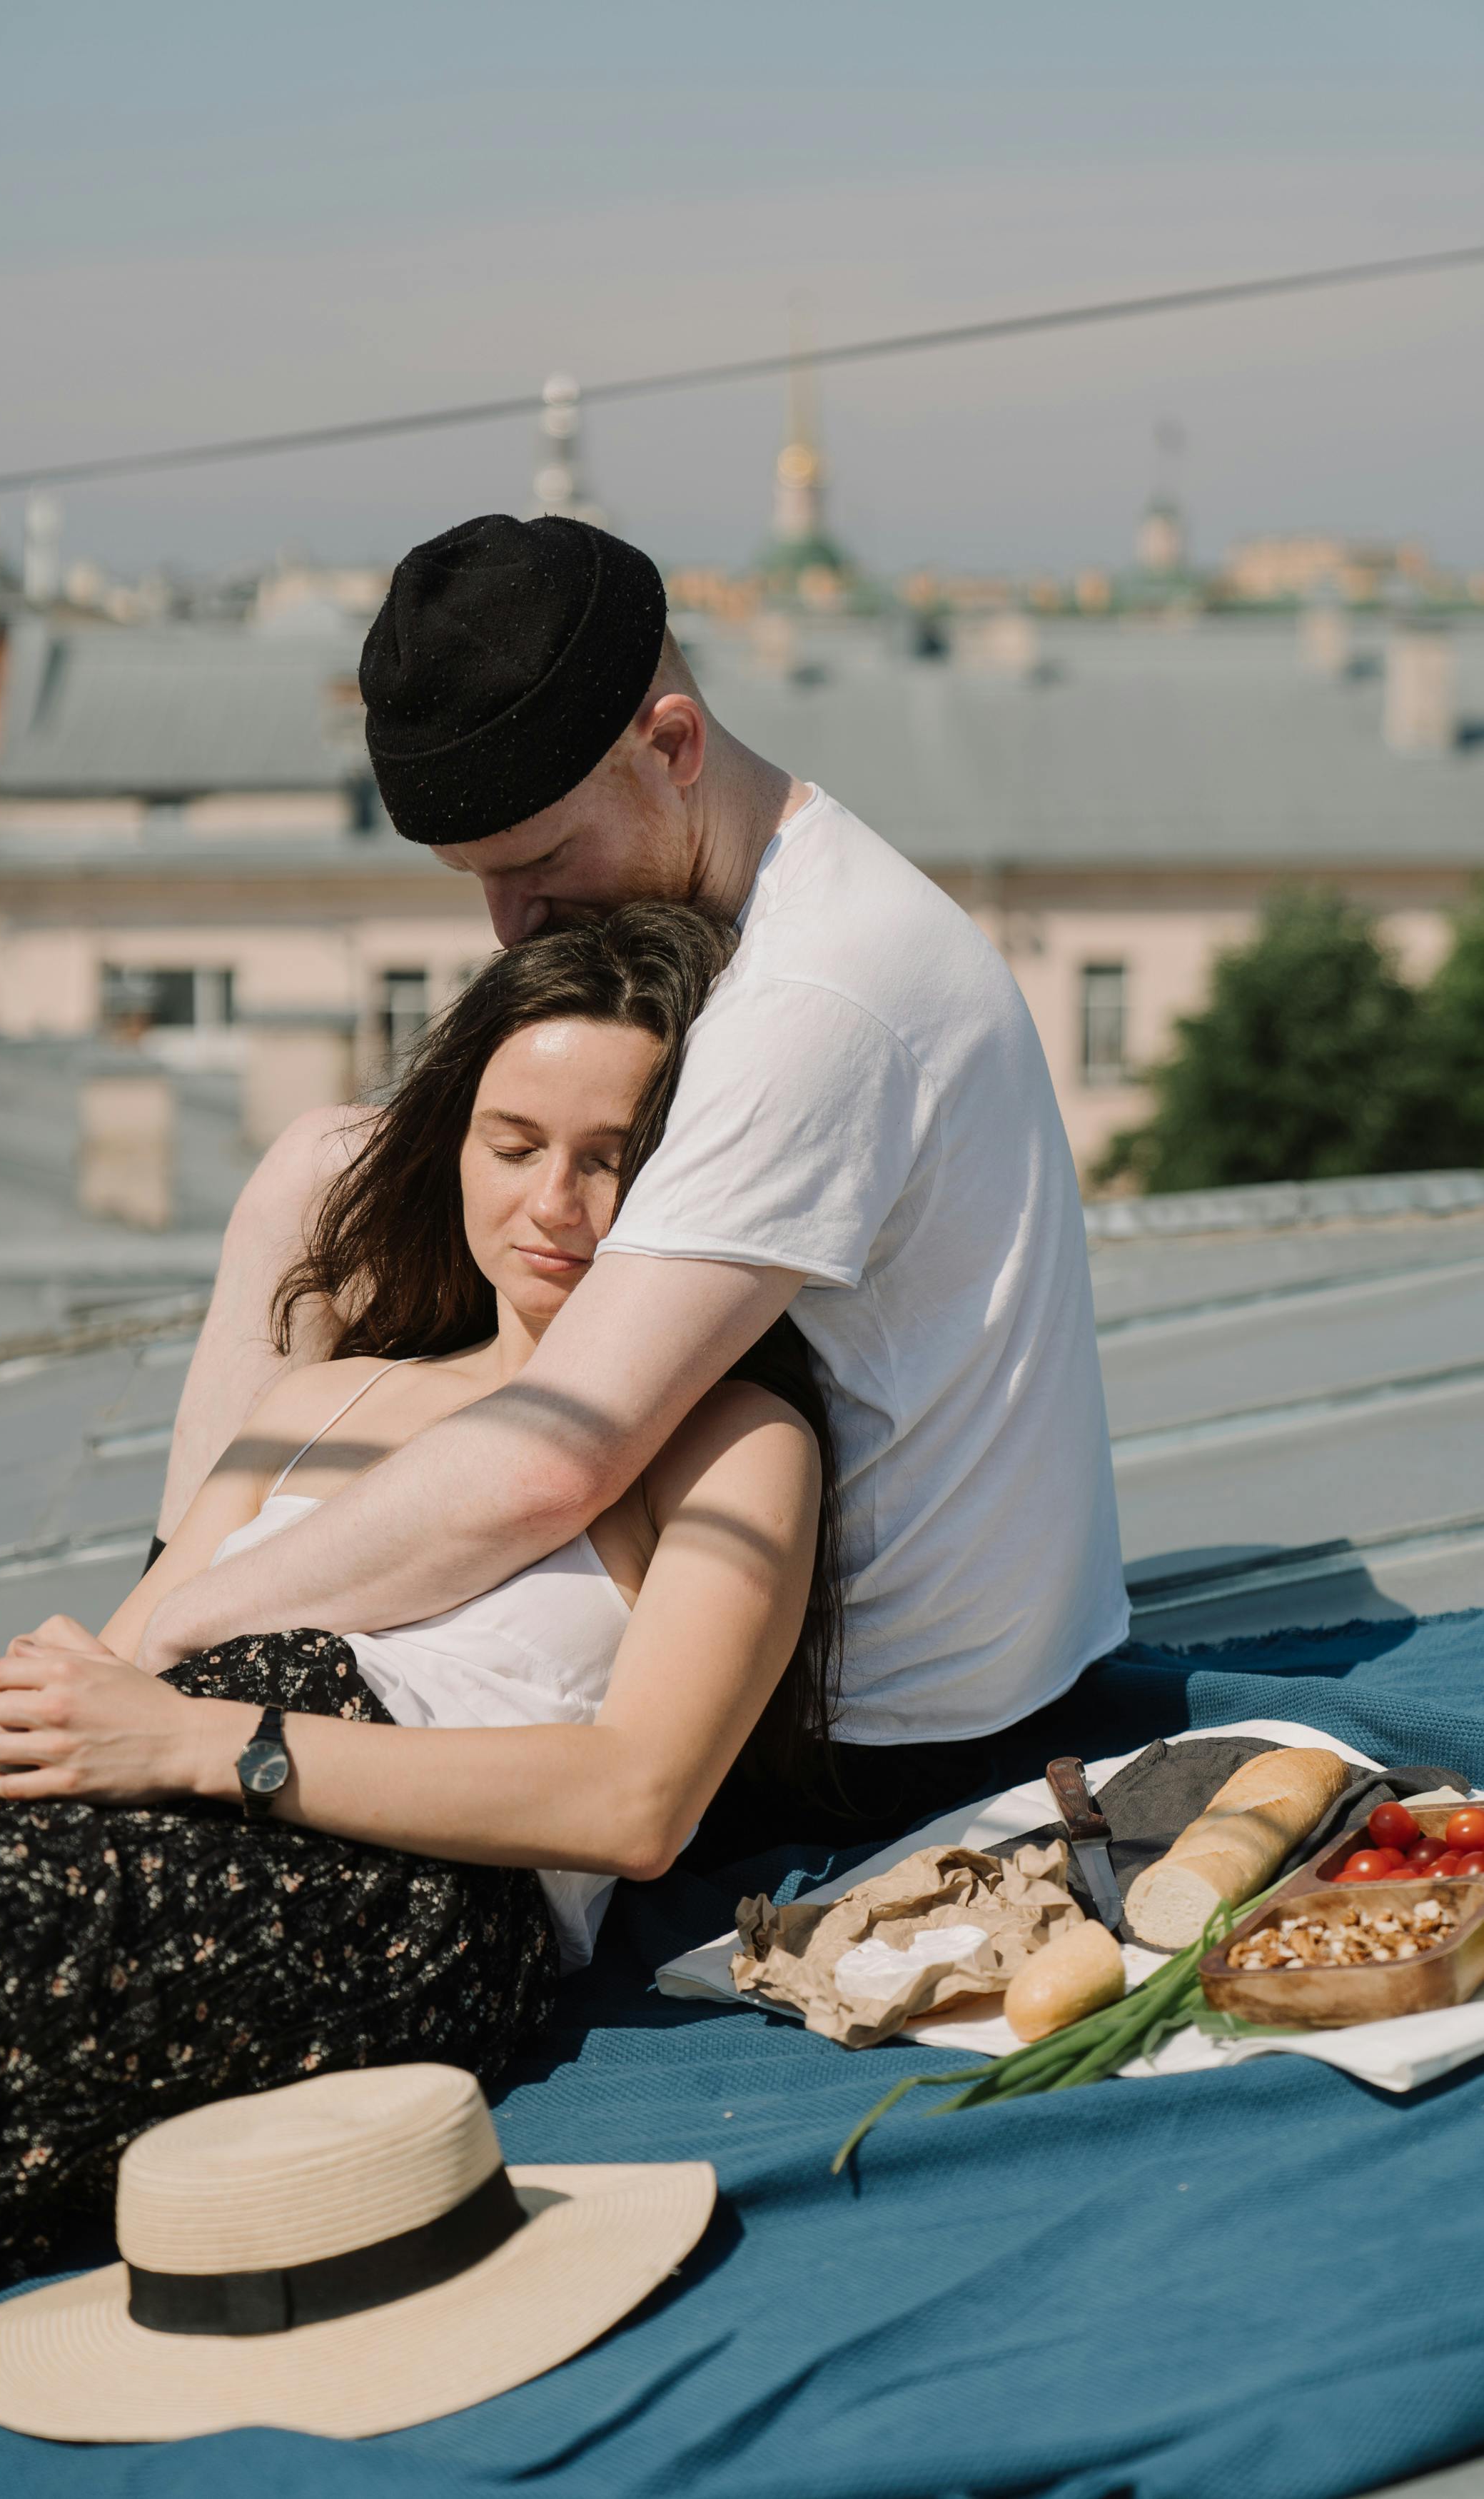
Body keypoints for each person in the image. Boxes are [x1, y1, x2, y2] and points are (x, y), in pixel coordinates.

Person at [0, 904, 837, 2296]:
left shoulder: (728, 1438)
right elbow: (96, 1711)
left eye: (616, 1160)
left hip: (385, 1907)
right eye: (516, 1144)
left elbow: (637, 1802)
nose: (556, 1206)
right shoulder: (322, 1399)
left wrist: (212, 1744)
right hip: (115, 1862)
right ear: (452, 1142)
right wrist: (57, 1720)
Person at [134, 512, 1129, 1853]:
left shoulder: (811, 1001)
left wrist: (162, 1645)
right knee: (320, 1170)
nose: (510, 927)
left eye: (539, 863)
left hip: (871, 1737)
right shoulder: (788, 880)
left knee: (191, 1624)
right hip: (903, 1651)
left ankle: (147, 1660)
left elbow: (555, 1460)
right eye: (478, 880)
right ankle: (155, 1641)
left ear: (671, 747)